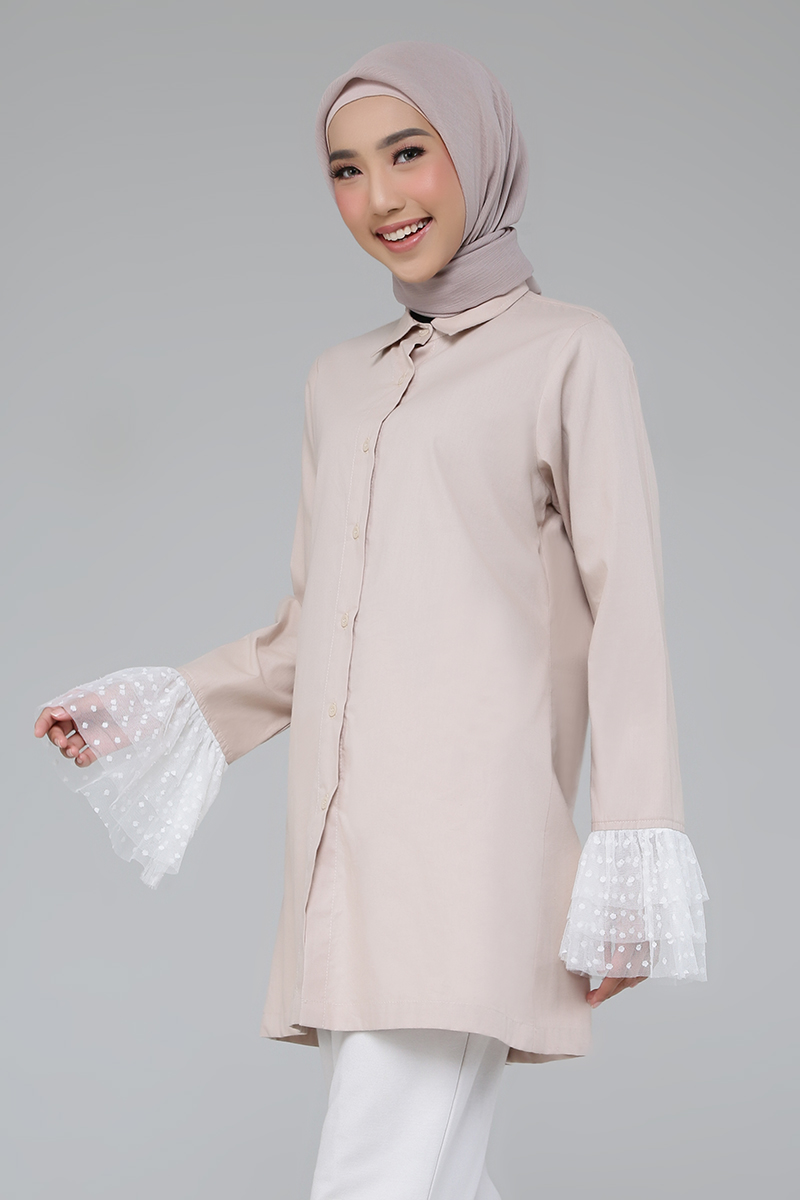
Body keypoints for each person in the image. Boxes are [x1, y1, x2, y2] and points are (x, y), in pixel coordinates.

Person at [33, 41, 709, 1200]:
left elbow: (626, 618)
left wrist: (630, 860)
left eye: (407, 153)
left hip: (472, 857)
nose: (379, 196)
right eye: (345, 170)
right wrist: (158, 710)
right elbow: (312, 635)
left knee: (376, 1177)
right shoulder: (338, 381)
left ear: (477, 155)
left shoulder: (570, 353)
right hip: (344, 862)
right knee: (427, 1179)